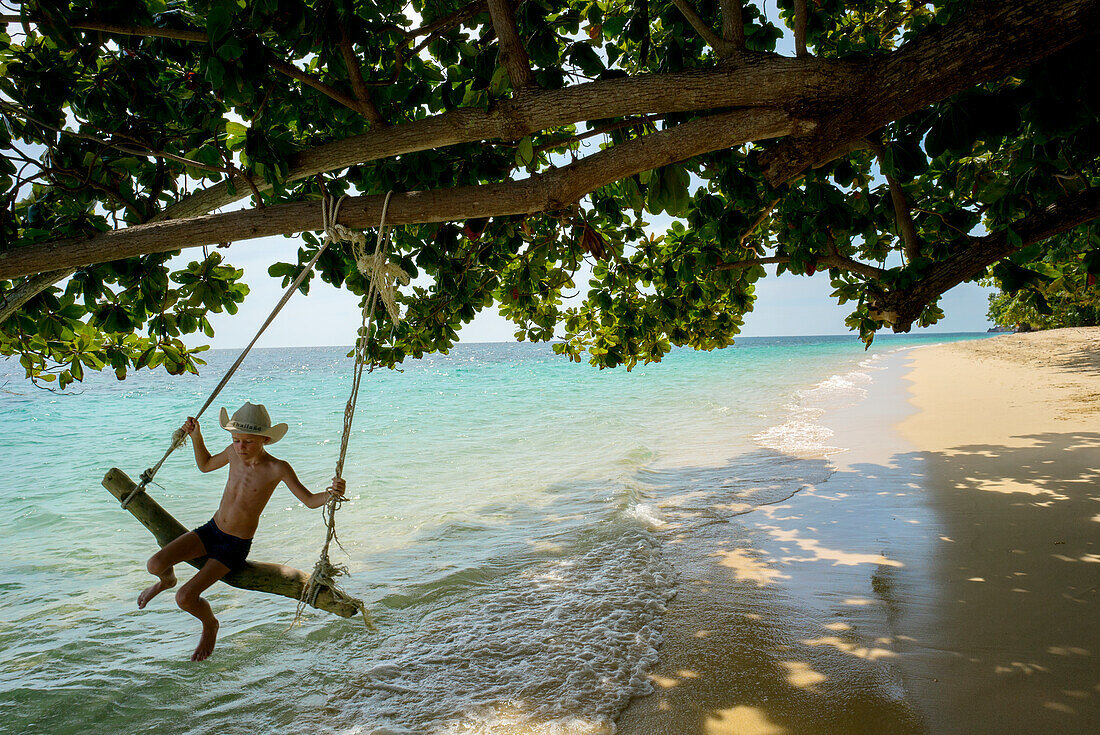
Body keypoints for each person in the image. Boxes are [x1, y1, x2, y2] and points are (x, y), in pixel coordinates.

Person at [136, 401, 345, 661]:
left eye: (247, 441)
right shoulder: (233, 453)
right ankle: (166, 580)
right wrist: (196, 436)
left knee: (185, 598)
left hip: (233, 546)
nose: (240, 447)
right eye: (236, 440)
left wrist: (331, 493)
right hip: (211, 530)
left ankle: (210, 624)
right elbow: (206, 464)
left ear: (265, 440)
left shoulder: (277, 468)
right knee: (155, 564)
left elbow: (311, 501)